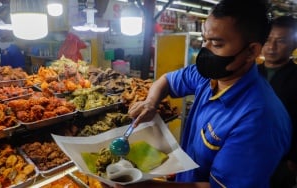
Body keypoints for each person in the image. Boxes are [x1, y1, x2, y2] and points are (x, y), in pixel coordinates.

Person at [103, 0, 292, 187]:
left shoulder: (259, 120)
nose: (205, 50)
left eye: (217, 44)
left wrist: (146, 186)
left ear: (251, 51)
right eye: (204, 40)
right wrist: (150, 103)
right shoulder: (210, 76)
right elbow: (166, 81)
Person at [258, 15, 297, 188]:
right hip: (246, 152)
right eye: (267, 40)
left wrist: (294, 160)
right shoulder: (248, 74)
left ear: (294, 45)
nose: (271, 47)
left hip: (281, 160)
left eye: (280, 41)